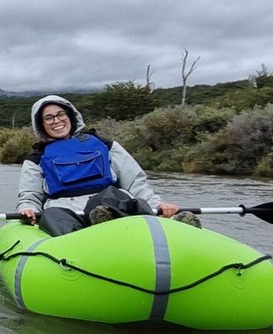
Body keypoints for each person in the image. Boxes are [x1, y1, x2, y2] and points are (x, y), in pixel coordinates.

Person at [16, 94, 201, 236]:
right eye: (48, 118)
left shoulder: (105, 145)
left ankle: (172, 227)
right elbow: (30, 195)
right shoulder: (36, 158)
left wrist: (158, 204)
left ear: (71, 116)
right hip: (66, 210)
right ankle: (86, 241)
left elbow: (135, 183)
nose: (56, 121)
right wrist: (28, 210)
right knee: (52, 215)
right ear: (41, 125)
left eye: (60, 114)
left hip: (109, 202)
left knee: (112, 197)